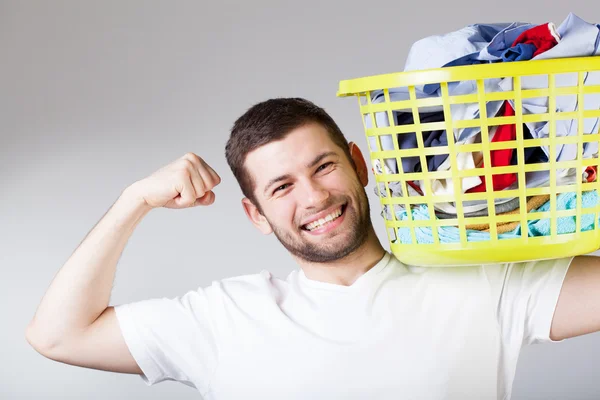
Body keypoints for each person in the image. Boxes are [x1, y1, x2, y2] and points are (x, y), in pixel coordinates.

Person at [26, 98, 600, 399]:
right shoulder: (222, 318)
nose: (315, 196)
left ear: (359, 163)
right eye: (282, 187)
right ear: (255, 215)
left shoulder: (483, 284)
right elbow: (58, 335)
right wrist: (133, 201)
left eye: (323, 167)